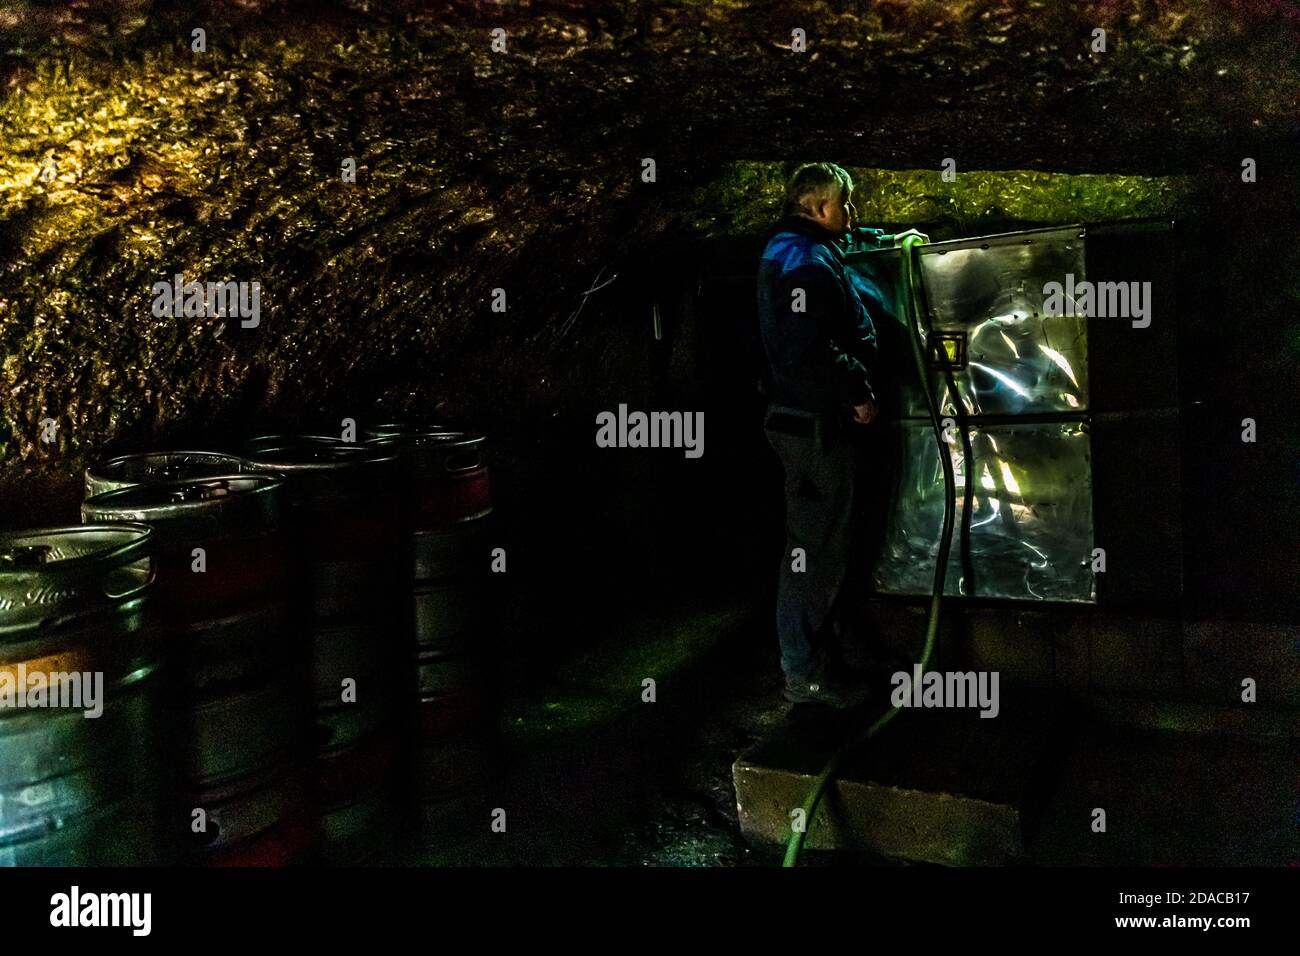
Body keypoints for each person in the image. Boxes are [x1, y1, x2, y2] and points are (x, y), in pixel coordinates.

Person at [756, 162, 925, 707]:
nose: (851, 214)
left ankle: (834, 650)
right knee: (814, 549)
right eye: (845, 204)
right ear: (820, 208)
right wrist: (857, 390)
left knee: (834, 542)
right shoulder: (804, 262)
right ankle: (804, 673)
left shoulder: (803, 246)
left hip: (814, 425)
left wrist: (892, 239)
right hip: (813, 430)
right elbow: (803, 348)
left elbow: (852, 240)